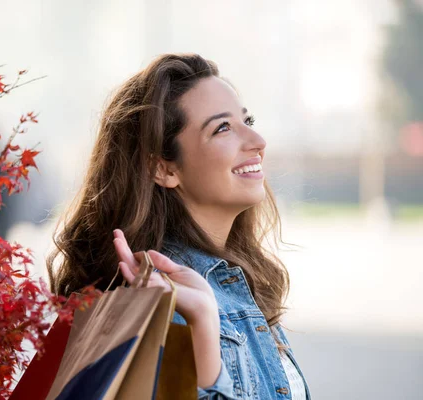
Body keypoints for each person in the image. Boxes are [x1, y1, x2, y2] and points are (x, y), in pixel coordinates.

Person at [47, 53, 311, 400]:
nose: (257, 141)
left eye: (247, 120)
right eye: (223, 128)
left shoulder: (234, 281)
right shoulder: (166, 298)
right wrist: (202, 318)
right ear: (165, 169)